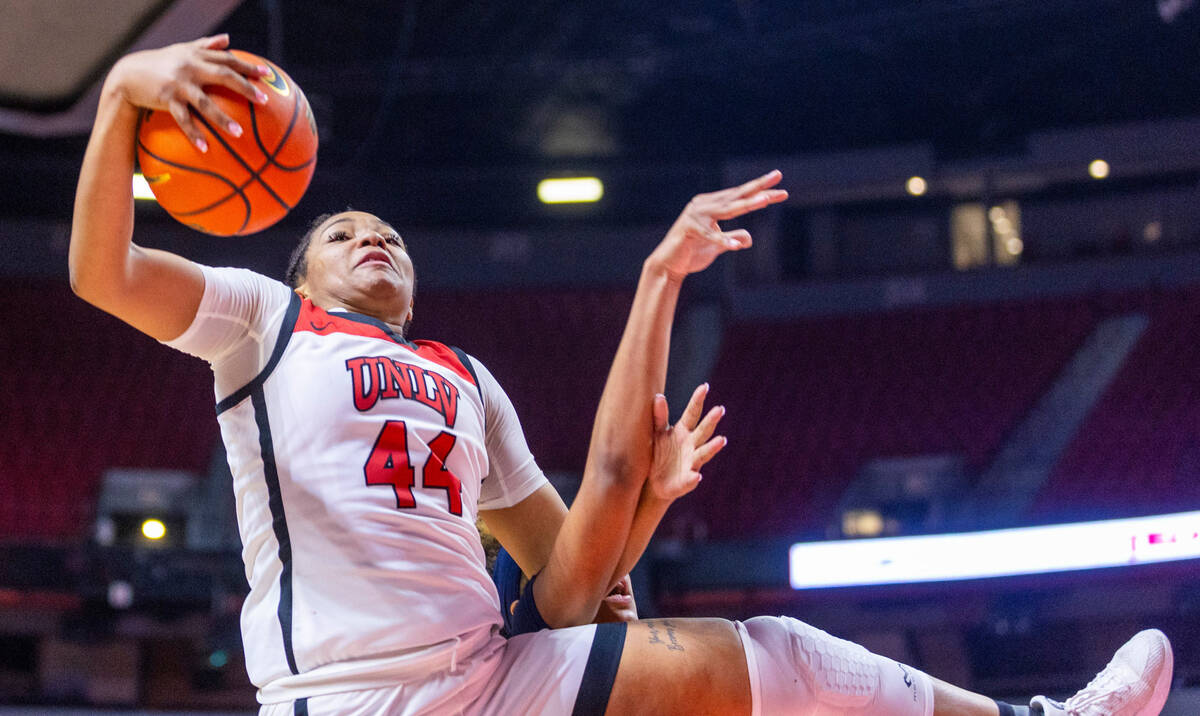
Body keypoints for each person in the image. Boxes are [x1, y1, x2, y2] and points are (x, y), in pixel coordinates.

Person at [69, 35, 1174, 716]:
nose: (373, 239)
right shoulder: (262, 321)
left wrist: (643, 484)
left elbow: (571, 580)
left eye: (389, 233)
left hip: (487, 677)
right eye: (346, 231)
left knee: (774, 652)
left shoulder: (465, 376)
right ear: (299, 264)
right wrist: (124, 92)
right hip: (349, 694)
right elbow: (102, 270)